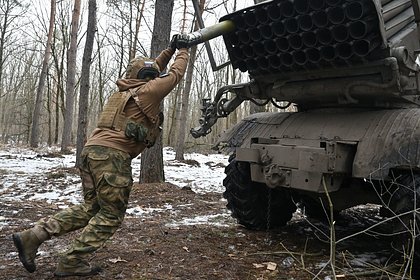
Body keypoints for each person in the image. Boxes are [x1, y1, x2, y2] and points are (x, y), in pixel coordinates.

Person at [12, 35, 190, 277]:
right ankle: (73, 260)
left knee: (92, 207)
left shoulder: (124, 92)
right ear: (148, 79)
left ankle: (33, 236)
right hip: (112, 157)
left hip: (91, 152)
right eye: (152, 75)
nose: (154, 76)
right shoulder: (149, 92)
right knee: (111, 213)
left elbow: (152, 69)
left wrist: (169, 50)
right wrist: (183, 51)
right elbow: (175, 75)